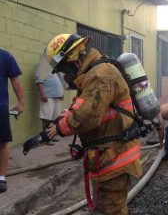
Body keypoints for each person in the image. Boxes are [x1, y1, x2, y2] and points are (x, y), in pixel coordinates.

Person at [44, 34, 141, 214]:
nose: (65, 76)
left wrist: (58, 129)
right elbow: (87, 105)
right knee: (104, 208)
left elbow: (87, 116)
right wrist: (68, 114)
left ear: (72, 61)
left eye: (63, 70)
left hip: (115, 158)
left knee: (111, 210)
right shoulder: (92, 74)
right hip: (107, 155)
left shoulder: (99, 75)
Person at [0, 49, 24, 193]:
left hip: (0, 107)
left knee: (2, 142)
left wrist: (21, 102)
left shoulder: (5, 56)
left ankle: (1, 177)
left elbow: (15, 80)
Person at [34, 64, 64, 131]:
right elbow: (39, 81)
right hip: (48, 96)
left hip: (57, 96)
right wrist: (42, 93)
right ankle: (45, 136)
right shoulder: (43, 65)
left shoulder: (55, 67)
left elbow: (58, 81)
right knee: (46, 118)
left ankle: (50, 135)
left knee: (55, 118)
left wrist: (61, 93)